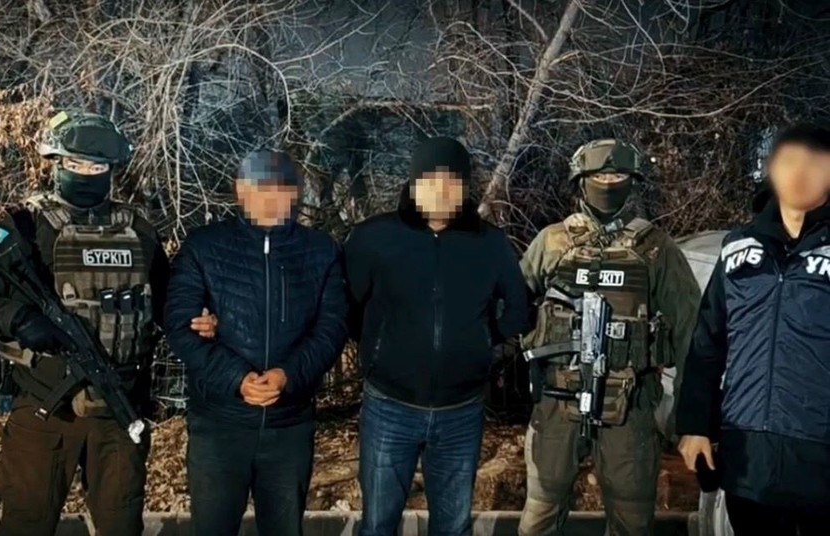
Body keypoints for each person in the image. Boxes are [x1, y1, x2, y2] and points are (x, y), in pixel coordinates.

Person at [0, 111, 168, 536]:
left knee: (121, 525)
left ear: (111, 170)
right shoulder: (23, 227)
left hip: (118, 409)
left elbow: (170, 306)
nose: (86, 174)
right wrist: (19, 318)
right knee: (26, 524)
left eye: (97, 167)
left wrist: (202, 323)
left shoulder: (140, 232)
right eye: (76, 164)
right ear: (55, 162)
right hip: (45, 408)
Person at [344, 137, 530, 536]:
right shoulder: (373, 238)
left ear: (465, 189)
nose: (441, 191)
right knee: (377, 524)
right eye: (430, 180)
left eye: (452, 182)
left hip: (461, 411)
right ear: (413, 184)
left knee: (453, 526)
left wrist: (484, 343)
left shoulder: (490, 243)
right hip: (389, 406)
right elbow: (346, 308)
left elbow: (518, 307)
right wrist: (378, 350)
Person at [518, 139, 700, 535]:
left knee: (632, 519)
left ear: (632, 181)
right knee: (540, 514)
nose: (609, 182)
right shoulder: (552, 242)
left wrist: (690, 415)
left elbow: (691, 330)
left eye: (618, 175)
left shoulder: (655, 248)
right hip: (558, 400)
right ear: (581, 180)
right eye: (600, 175)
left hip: (630, 404)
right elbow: (512, 306)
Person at [165, 149, 348, 536]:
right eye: (260, 187)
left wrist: (288, 375)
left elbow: (331, 328)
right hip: (219, 425)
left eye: (281, 188)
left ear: (294, 193)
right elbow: (180, 326)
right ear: (241, 191)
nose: (271, 198)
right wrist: (237, 378)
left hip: (289, 424)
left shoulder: (321, 251)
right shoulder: (203, 247)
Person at [676, 124, 830, 535]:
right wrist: (695, 426)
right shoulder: (738, 247)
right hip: (749, 458)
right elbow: (707, 345)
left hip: (819, 457)